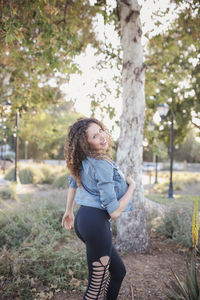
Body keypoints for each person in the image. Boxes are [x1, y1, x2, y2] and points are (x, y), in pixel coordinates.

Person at [62, 117, 136, 300]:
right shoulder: (101, 163)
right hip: (95, 224)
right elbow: (115, 211)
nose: (102, 137)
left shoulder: (84, 159)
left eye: (101, 131)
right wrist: (132, 186)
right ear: (86, 143)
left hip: (84, 220)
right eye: (95, 136)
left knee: (119, 271)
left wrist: (69, 211)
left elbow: (73, 182)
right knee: (95, 289)